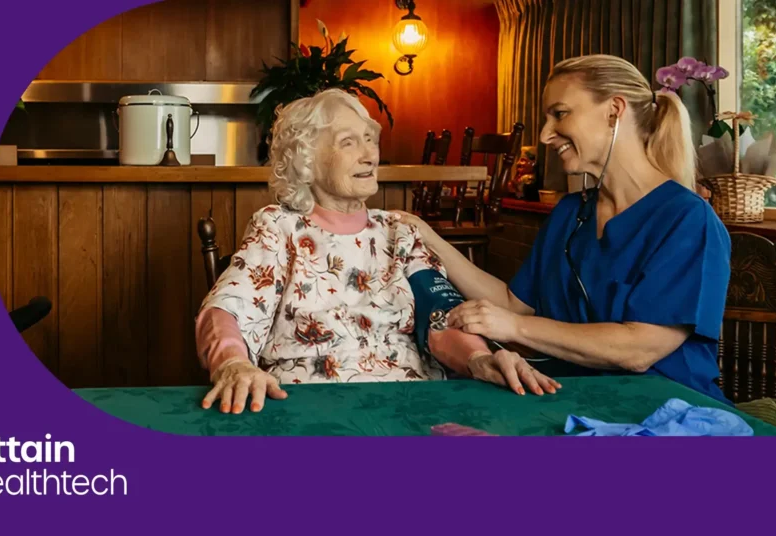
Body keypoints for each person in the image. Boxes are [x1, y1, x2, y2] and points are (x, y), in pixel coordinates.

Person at [195, 88, 560, 415]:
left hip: (410, 403)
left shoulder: (400, 231)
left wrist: (479, 357)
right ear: (306, 161)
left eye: (370, 140)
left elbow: (441, 316)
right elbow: (229, 307)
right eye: (349, 142)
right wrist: (232, 363)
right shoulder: (279, 227)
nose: (370, 154)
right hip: (307, 406)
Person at [394, 54, 733, 403]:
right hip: (571, 400)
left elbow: (640, 348)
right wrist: (427, 235)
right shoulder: (571, 212)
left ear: (614, 110)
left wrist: (514, 328)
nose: (544, 135)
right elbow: (515, 303)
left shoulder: (687, 219)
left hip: (665, 411)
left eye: (560, 114)